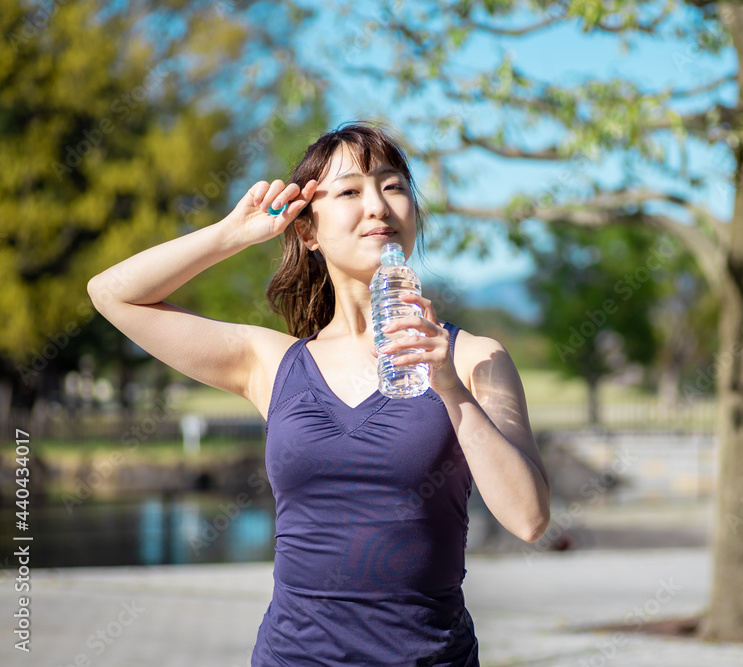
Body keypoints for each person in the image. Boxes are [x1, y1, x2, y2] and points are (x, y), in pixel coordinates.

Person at [88, 121, 551, 666]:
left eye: (393, 185)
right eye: (351, 191)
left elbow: (529, 518)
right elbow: (113, 295)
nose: (377, 206)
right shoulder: (273, 364)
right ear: (308, 231)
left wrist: (449, 386)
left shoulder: (476, 358)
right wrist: (231, 235)